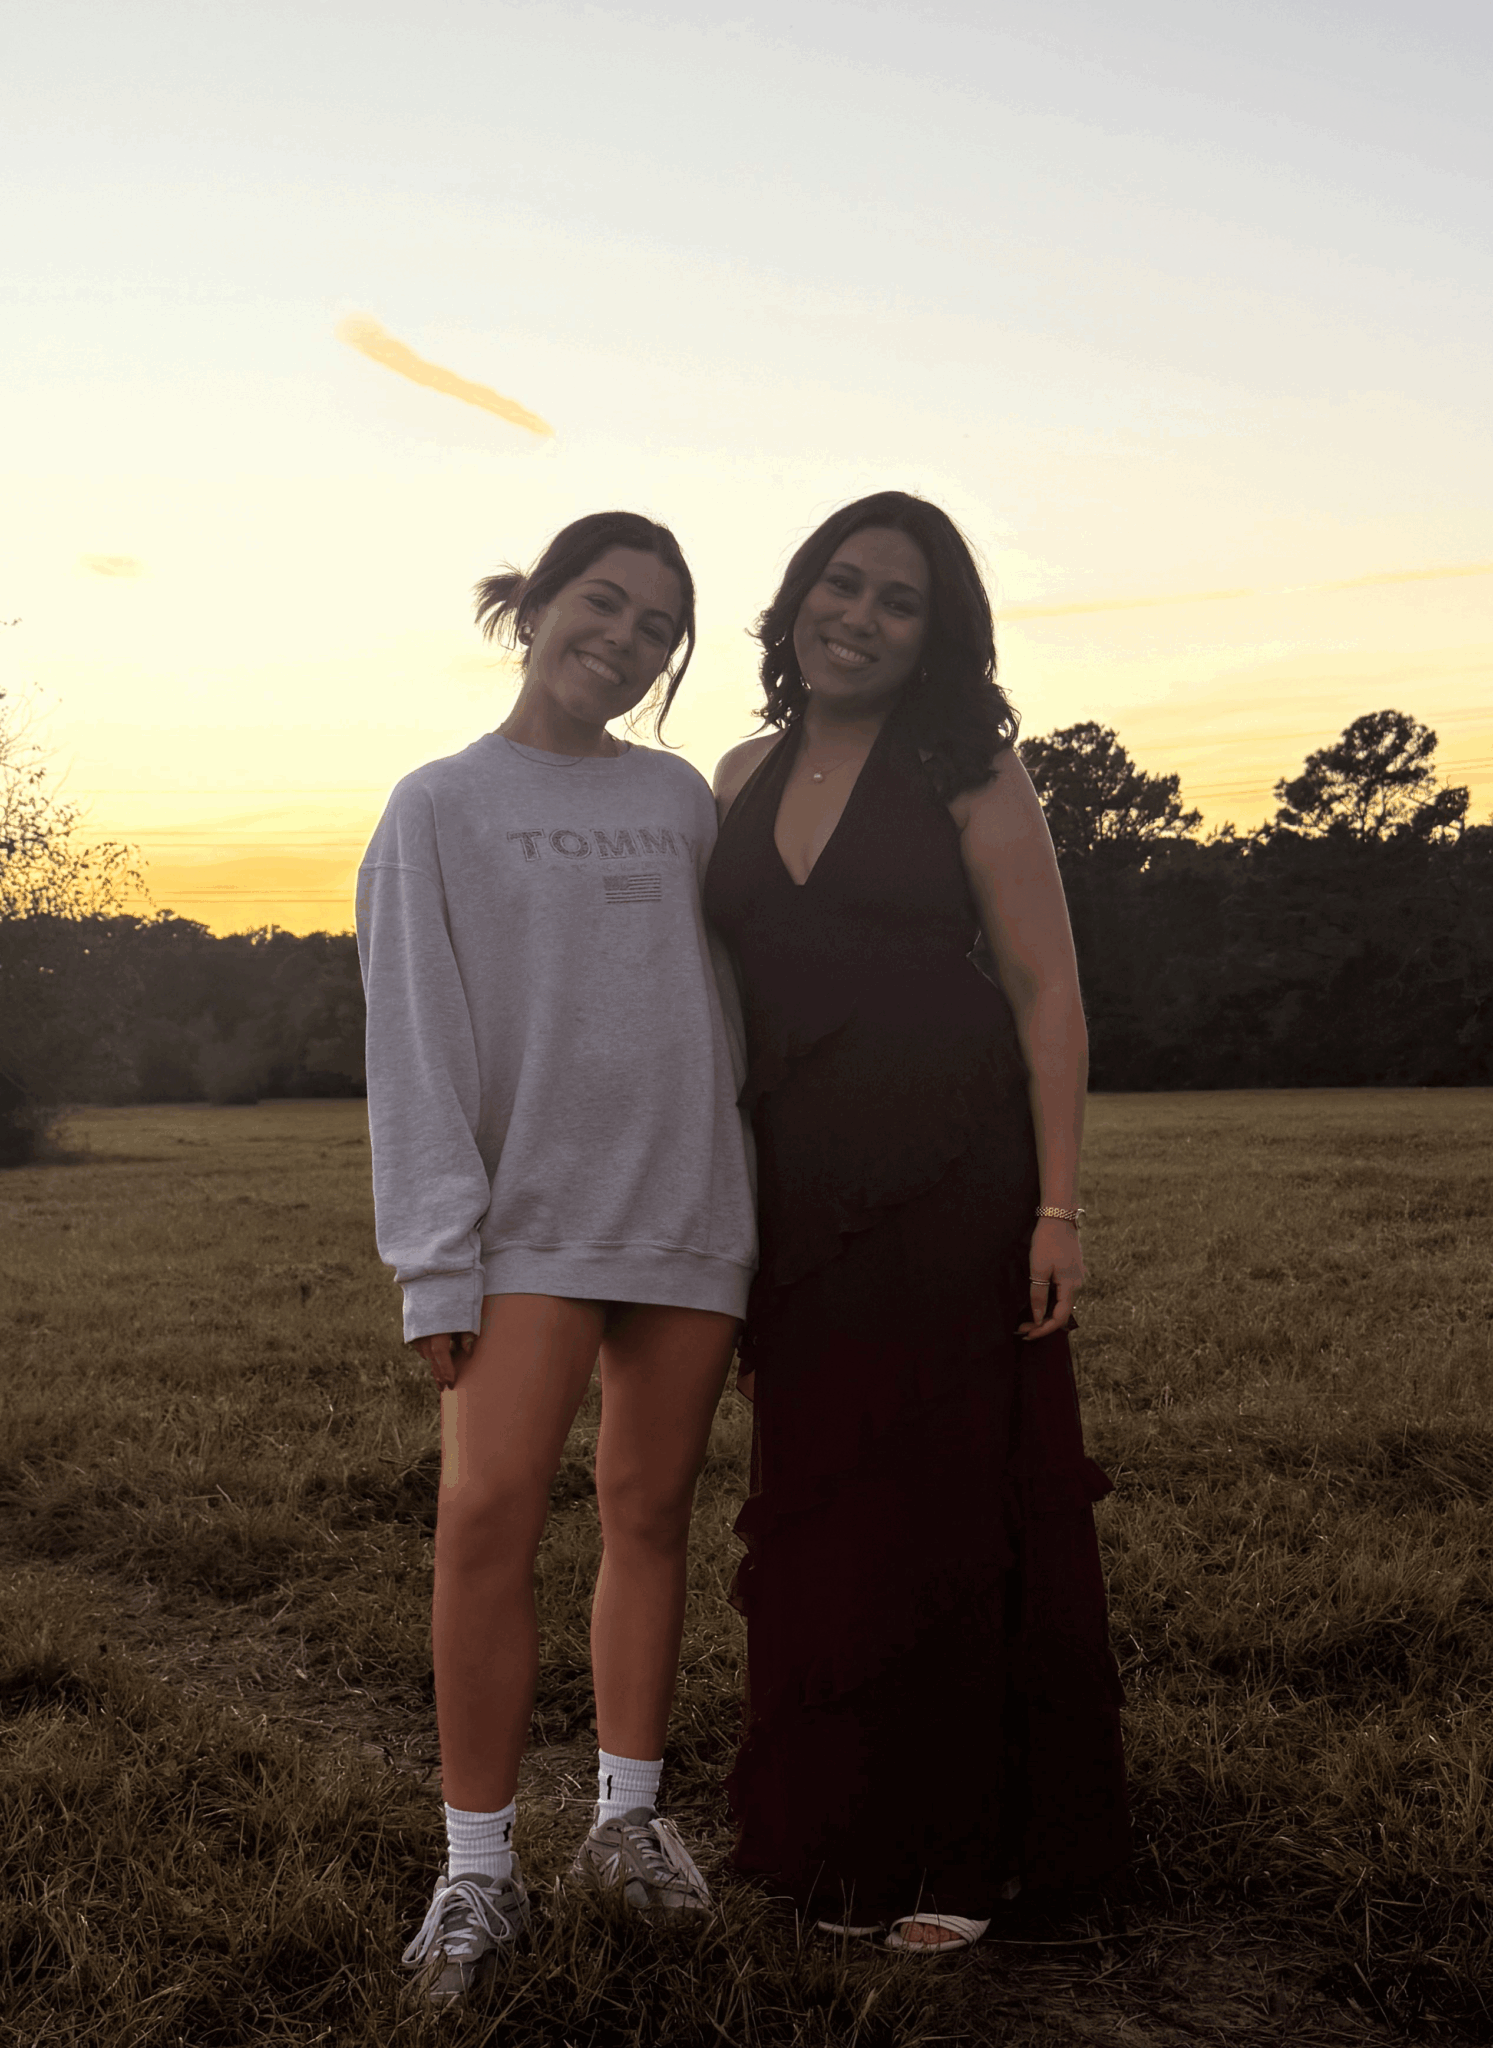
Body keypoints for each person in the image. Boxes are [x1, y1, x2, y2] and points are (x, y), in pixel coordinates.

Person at [704, 491, 1130, 1952]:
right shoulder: (737, 773)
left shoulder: (971, 769)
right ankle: (831, 1835)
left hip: (954, 1173)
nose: (861, 617)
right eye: (843, 583)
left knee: (944, 1503)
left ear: (936, 635)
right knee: (823, 1503)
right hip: (797, 1189)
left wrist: (1057, 1205)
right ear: (797, 597)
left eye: (900, 600)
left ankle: (957, 1851)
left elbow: (1048, 993)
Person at [356, 511, 757, 2006]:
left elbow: (725, 1006)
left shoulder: (680, 800)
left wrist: (752, 1200)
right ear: (532, 609)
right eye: (604, 601)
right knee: (485, 1517)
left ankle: (625, 1825)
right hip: (527, 1219)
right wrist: (435, 1261)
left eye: (660, 627)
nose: (627, 639)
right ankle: (477, 1870)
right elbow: (413, 1038)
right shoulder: (438, 803)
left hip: (689, 1203)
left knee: (651, 1511)